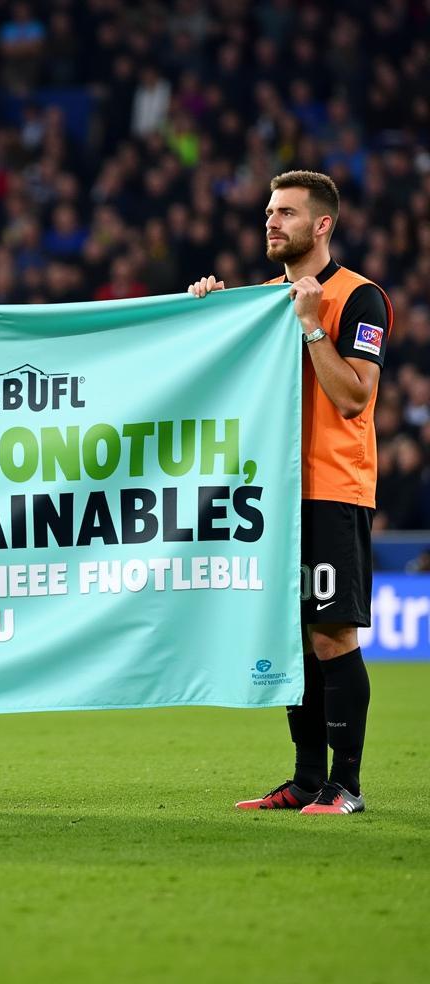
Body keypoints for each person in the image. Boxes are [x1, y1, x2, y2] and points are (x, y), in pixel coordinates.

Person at [189, 170, 391, 815]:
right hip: (270, 493)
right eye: (269, 212)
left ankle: (347, 786)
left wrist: (310, 326)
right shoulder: (260, 301)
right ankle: (306, 781)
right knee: (292, 637)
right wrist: (206, 313)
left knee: (332, 636)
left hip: (331, 486)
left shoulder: (360, 299)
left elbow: (355, 396)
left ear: (321, 224)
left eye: (286, 213)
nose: (271, 222)